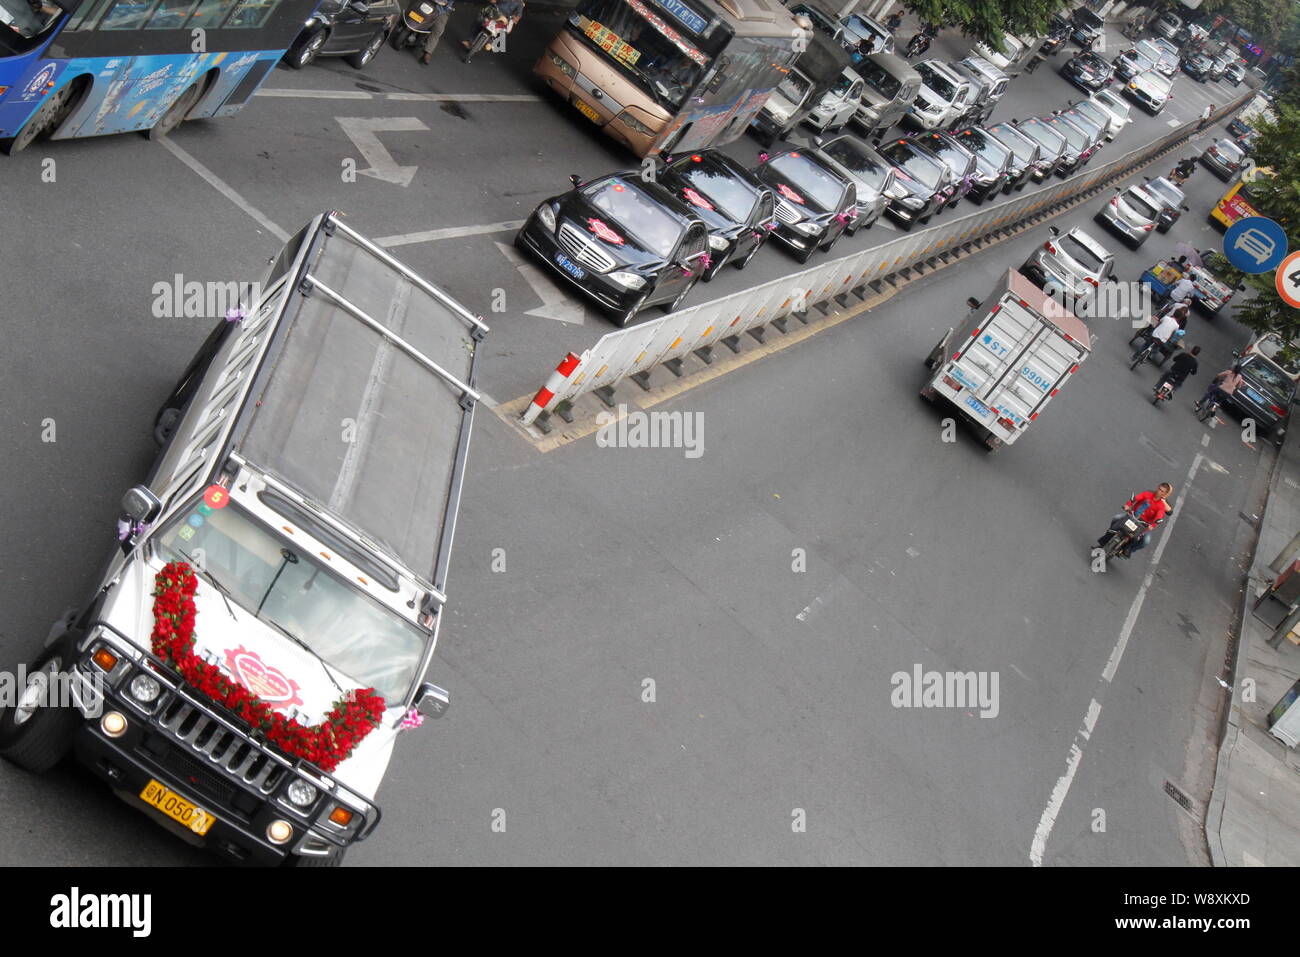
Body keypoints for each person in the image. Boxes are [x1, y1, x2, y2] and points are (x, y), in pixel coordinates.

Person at [1097, 484, 1174, 558]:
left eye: (1162, 491)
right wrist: (1128, 505)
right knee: (1116, 518)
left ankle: (1127, 549)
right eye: (1159, 489)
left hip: (1143, 525)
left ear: (1165, 494)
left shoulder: (1162, 505)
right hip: (1132, 516)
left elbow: (1159, 516)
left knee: (1145, 541)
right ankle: (1104, 542)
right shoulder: (1148, 493)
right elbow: (1136, 498)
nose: (1159, 491)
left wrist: (1152, 525)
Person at [418, 0, 456, 64]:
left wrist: (447, 6)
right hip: (427, 3)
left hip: (441, 11)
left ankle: (428, 52)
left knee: (438, 29)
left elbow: (449, 3)